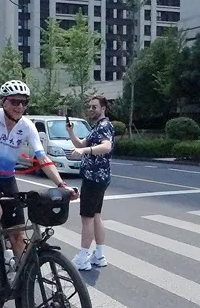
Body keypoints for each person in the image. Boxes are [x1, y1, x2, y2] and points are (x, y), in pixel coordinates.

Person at [0, 41, 79, 278]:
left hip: (8, 180)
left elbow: (43, 158)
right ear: (4, 102)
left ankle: (25, 285)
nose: (19, 106)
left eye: (23, 102)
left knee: (18, 235)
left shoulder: (27, 126)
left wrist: (61, 184)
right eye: (14, 101)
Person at [68, 94, 114, 271]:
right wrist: (71, 132)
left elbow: (106, 147)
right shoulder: (98, 127)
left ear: (103, 108)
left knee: (86, 218)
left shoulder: (104, 126)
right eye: (90, 107)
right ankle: (99, 254)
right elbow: (80, 143)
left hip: (94, 178)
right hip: (98, 178)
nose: (91, 110)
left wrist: (85, 151)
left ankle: (83, 257)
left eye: (94, 107)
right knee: (95, 215)